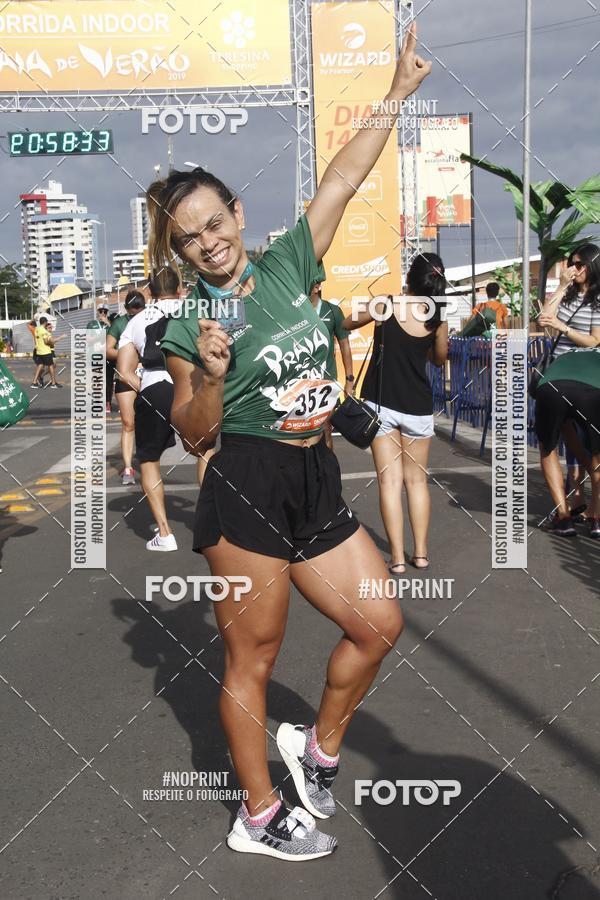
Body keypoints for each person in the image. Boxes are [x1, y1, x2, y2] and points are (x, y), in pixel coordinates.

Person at [151, 23, 430, 861]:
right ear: (178, 250)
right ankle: (259, 815)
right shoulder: (189, 323)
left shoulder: (285, 265)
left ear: (237, 214)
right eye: (190, 237)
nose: (209, 241)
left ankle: (316, 749)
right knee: (255, 659)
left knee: (379, 623)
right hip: (245, 486)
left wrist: (395, 94)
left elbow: (343, 176)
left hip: (313, 476)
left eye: (215, 222)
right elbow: (193, 431)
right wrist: (206, 375)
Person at [343, 254, 449, 573]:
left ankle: (398, 559)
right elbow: (439, 359)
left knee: (389, 482)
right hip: (418, 407)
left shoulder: (386, 304)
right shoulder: (438, 317)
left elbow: (346, 322)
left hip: (382, 405)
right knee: (416, 482)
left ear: (409, 278)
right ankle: (421, 554)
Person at [117, 268, 183, 551]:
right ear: (180, 289)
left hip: (156, 387)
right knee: (204, 452)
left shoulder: (137, 320)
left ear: (151, 293)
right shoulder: (195, 311)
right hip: (193, 386)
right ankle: (212, 522)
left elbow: (124, 370)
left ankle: (165, 534)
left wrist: (143, 385)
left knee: (149, 460)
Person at [538, 244, 600, 518]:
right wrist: (562, 286)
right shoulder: (567, 294)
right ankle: (568, 511)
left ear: (592, 266)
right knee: (558, 433)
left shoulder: (598, 299)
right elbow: (544, 320)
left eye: (579, 264)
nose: (573, 269)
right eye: (571, 263)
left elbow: (594, 340)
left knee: (593, 443)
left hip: (587, 375)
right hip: (558, 374)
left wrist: (562, 327)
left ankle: (594, 511)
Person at [534, 348, 600, 538]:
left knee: (548, 449)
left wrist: (587, 466)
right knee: (598, 453)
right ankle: (597, 520)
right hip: (592, 392)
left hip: (551, 389)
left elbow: (566, 429)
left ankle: (563, 519)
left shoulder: (562, 358)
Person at [107, 290, 146, 486]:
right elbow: (108, 349)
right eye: (132, 310)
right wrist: (127, 355)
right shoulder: (120, 323)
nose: (136, 313)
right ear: (126, 309)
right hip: (124, 376)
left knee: (149, 422)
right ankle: (128, 467)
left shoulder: (152, 318)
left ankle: (148, 463)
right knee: (128, 423)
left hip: (149, 375)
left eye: (139, 309)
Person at [309, 275, 354, 449]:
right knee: (303, 434)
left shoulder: (332, 311)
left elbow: (345, 345)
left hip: (326, 381)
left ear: (317, 287)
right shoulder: (294, 310)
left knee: (326, 429)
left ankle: (328, 466)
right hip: (300, 382)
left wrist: (349, 380)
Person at [31, 317, 61, 388]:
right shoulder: (43, 331)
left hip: (39, 351)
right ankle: (53, 383)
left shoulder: (37, 329)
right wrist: (52, 341)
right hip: (45, 351)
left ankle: (34, 382)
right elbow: (46, 341)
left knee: (40, 365)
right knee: (51, 366)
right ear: (45, 322)